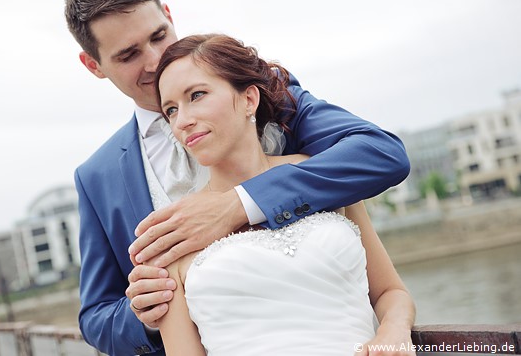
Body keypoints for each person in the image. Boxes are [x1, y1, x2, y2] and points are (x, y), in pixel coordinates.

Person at [65, 0, 411, 356]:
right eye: (128, 54)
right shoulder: (97, 177)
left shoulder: (268, 92)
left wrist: (241, 202)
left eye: (159, 35)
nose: (155, 59)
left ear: (169, 16)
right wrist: (145, 313)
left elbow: (381, 153)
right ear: (93, 65)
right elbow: (95, 315)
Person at [153, 34, 415, 355]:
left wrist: (393, 330)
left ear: (249, 99)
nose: (183, 120)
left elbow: (390, 292)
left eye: (197, 95)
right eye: (170, 110)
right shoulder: (173, 229)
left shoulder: (320, 177)